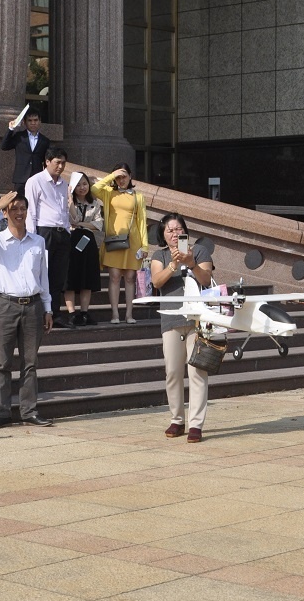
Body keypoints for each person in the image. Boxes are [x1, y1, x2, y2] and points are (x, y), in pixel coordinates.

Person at [0, 190, 53, 428]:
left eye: (23, 208)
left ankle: (29, 410)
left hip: (33, 306)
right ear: (7, 212)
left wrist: (48, 308)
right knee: (3, 363)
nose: (19, 213)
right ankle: (2, 412)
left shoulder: (37, 241)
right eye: (14, 208)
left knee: (30, 362)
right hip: (4, 305)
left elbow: (43, 277)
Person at [149, 213, 215, 443]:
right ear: (163, 235)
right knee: (173, 372)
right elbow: (156, 282)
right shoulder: (159, 255)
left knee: (197, 372)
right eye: (170, 231)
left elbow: (206, 280)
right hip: (170, 318)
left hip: (197, 319)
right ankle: (177, 419)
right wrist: (174, 264)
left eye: (178, 230)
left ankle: (196, 424)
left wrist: (191, 264)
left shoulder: (199, 251)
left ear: (185, 231)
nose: (175, 234)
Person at [92, 162, 148, 323]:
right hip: (113, 240)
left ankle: (129, 314)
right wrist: (111, 176)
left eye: (124, 176)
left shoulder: (138, 196)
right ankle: (115, 313)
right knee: (114, 276)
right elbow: (94, 189)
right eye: (118, 177)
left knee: (130, 277)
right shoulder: (109, 192)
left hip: (133, 241)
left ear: (130, 176)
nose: (121, 180)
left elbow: (142, 221)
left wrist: (145, 245)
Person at [25, 146, 72, 328]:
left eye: (63, 163)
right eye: (57, 162)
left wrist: (67, 229)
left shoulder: (64, 183)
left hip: (62, 232)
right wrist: (32, 237)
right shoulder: (35, 181)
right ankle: (38, 314)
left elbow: (63, 209)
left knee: (58, 276)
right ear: (47, 161)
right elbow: (31, 211)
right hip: (44, 231)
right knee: (40, 273)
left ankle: (56, 314)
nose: (60, 167)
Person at [65, 172, 102, 326]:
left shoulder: (96, 203)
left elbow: (98, 225)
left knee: (87, 279)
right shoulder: (67, 202)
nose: (82, 187)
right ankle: (72, 313)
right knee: (70, 278)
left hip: (88, 243)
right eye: (78, 184)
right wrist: (69, 200)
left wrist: (80, 225)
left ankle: (85, 313)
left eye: (85, 184)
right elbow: (70, 220)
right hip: (70, 242)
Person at [0, 107, 48, 189]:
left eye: (35, 120)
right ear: (24, 122)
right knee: (19, 201)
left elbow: (47, 161)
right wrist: (11, 129)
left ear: (40, 121)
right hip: (21, 178)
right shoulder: (19, 137)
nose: (33, 123)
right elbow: (4, 146)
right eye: (30, 120)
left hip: (37, 178)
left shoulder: (45, 140)